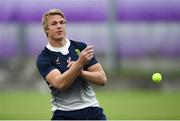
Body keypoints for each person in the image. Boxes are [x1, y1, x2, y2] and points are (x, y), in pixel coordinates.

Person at [36, 8, 107, 120]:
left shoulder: (80, 48)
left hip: (92, 110)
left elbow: (102, 79)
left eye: (62, 22)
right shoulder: (44, 58)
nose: (59, 26)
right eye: (54, 23)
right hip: (64, 114)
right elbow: (61, 84)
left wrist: (81, 72)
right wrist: (79, 63)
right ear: (46, 30)